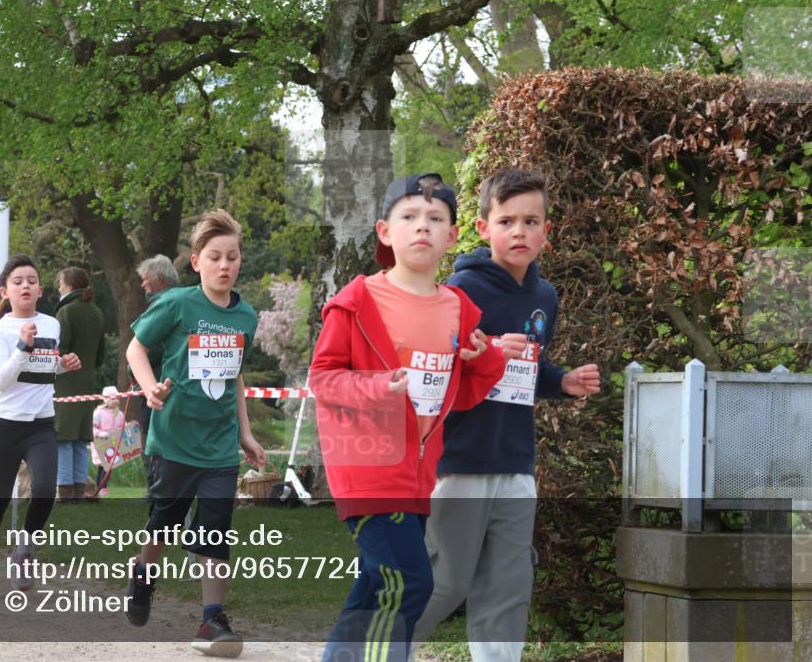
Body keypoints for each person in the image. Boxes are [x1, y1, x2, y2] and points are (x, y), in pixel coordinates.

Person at [309, 174, 508, 662]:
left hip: (418, 475)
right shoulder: (356, 302)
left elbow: (463, 395)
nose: (423, 227)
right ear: (384, 231)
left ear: (454, 236)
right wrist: (379, 386)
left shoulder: (459, 309)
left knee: (375, 585)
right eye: (409, 217)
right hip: (367, 470)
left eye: (435, 219)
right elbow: (322, 378)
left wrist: (483, 356)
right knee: (411, 584)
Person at [412, 168, 601, 662]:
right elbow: (435, 364)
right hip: (459, 461)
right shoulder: (458, 290)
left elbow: (528, 369)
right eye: (507, 221)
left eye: (531, 221)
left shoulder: (545, 297)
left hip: (517, 463)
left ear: (546, 231)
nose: (519, 232)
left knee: (508, 585)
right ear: (482, 228)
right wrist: (489, 349)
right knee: (444, 582)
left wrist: (561, 381)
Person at [124, 209, 264, 658]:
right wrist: (149, 388)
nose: (225, 266)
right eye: (215, 257)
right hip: (174, 440)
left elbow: (236, 378)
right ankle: (142, 573)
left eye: (233, 257)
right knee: (163, 525)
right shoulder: (178, 303)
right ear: (198, 261)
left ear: (241, 261)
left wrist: (246, 433)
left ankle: (211, 620)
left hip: (220, 445)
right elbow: (137, 348)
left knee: (215, 531)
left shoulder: (245, 316)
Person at [0, 254, 82, 600]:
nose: (25, 285)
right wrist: (23, 345)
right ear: (5, 291)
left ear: (41, 290)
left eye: (31, 280)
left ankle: (24, 550)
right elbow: (1, 382)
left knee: (46, 490)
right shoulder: (0, 331)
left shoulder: (52, 324)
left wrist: (63, 365)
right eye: (17, 281)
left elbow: (42, 371)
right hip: (4, 426)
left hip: (41, 424)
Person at [53, 266, 105, 504]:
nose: (58, 287)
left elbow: (60, 350)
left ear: (70, 286)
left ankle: (64, 491)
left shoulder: (66, 311)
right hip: (87, 380)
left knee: (63, 436)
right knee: (81, 439)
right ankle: (79, 489)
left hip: (66, 381)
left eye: (60, 283)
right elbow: (101, 356)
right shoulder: (96, 312)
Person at [134, 254, 179, 489]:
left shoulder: (164, 305)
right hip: (162, 382)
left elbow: (146, 348)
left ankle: (157, 487)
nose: (142, 284)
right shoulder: (175, 302)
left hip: (160, 386)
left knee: (153, 436)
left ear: (160, 279)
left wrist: (143, 377)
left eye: (145, 279)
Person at [90, 385, 125, 496]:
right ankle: (101, 487)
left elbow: (122, 426)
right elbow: (93, 428)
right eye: (112, 398)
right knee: (103, 466)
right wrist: (102, 434)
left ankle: (101, 487)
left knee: (108, 466)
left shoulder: (119, 414)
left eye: (116, 398)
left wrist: (130, 427)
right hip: (101, 443)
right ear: (106, 399)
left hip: (113, 444)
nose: (115, 401)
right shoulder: (98, 413)